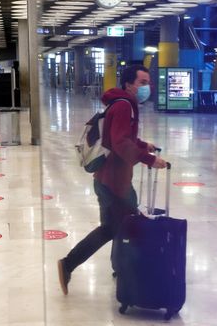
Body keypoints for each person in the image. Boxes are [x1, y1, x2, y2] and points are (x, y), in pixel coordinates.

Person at [57, 64, 167, 295]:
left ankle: (112, 268)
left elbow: (120, 136)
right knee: (125, 226)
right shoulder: (125, 106)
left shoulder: (120, 103)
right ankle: (72, 264)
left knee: (116, 227)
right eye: (142, 83)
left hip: (109, 179)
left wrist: (142, 144)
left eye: (148, 83)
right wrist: (149, 159)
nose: (147, 87)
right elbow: (119, 142)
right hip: (115, 182)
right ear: (129, 84)